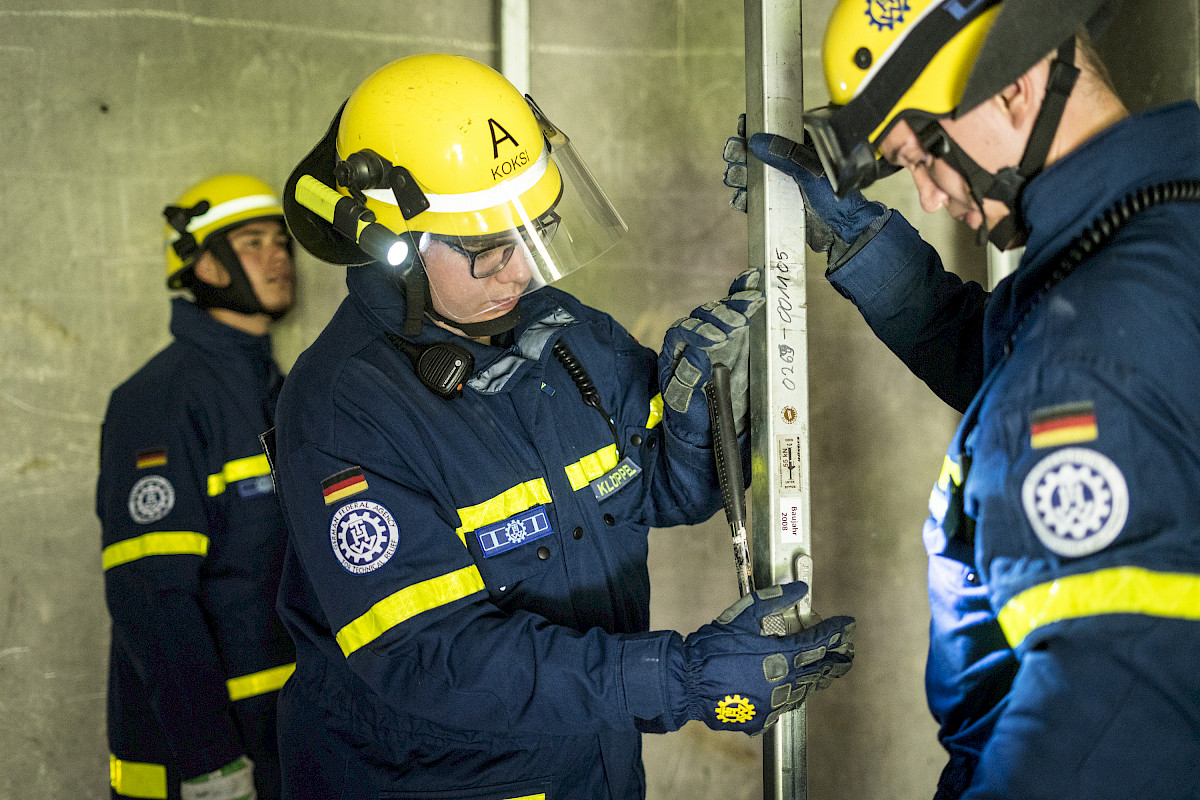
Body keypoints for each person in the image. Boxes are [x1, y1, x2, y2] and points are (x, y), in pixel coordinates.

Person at [269, 52, 855, 799]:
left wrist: (697, 417)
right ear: (395, 249)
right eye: (486, 250)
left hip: (592, 768)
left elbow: (656, 496)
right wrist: (677, 678)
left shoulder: (565, 334)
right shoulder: (345, 406)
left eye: (535, 229)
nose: (522, 272)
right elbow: (427, 654)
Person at [726, 0, 1200, 797]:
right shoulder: (1155, 234)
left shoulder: (1090, 344)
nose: (931, 195)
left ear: (1012, 88)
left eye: (924, 153)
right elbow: (1016, 364)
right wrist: (863, 244)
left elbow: (1105, 714)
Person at [97, 174, 298, 800]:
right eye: (252, 242)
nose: (278, 257)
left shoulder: (286, 391)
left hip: (285, 738)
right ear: (204, 264)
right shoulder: (159, 400)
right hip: (206, 760)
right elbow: (151, 598)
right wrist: (211, 762)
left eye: (281, 241)